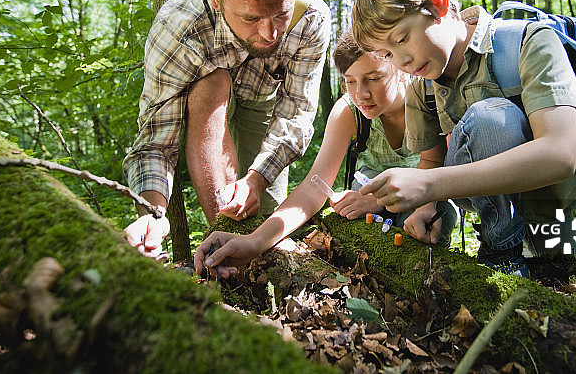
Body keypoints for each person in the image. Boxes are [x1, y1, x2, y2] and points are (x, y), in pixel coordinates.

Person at [350, 0, 576, 277]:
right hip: (492, 216)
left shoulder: (530, 42)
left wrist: (429, 186)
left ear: (438, 3)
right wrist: (426, 207)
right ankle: (501, 253)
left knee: (564, 278)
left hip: (550, 208)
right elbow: (432, 160)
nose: (402, 61)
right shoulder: (422, 87)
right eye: (388, 55)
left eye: (402, 38)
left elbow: (561, 155)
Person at [122, 0, 331, 258]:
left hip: (263, 102)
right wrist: (153, 214)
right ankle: (224, 243)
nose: (269, 34)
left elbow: (296, 111)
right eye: (250, 17)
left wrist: (257, 179)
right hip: (206, 104)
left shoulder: (312, 18)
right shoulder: (179, 27)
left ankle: (263, 272)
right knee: (212, 83)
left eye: (280, 14)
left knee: (266, 214)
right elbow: (156, 141)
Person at [195, 31, 457, 279]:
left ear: (399, 68)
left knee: (434, 220)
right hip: (364, 197)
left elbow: (438, 169)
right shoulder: (349, 112)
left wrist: (379, 202)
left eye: (374, 78)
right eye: (350, 81)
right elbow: (314, 188)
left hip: (425, 197)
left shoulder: (426, 99)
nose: (361, 94)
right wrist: (255, 241)